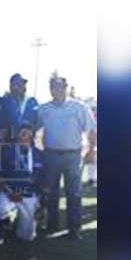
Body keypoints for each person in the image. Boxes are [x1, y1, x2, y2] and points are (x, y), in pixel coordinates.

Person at [38, 76, 97, 240]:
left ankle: (74, 229)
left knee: (74, 193)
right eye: (54, 87)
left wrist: (91, 151)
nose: (57, 90)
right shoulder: (44, 109)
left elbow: (91, 130)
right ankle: (52, 225)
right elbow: (34, 130)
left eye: (60, 87)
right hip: (50, 155)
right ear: (50, 89)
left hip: (72, 155)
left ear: (66, 87)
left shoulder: (79, 107)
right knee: (52, 193)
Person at [0, 120, 44, 243]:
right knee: (0, 207)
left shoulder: (39, 154)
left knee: (27, 237)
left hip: (30, 195)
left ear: (32, 134)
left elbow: (42, 181)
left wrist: (42, 203)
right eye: (22, 132)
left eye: (28, 132)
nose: (25, 135)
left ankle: (19, 223)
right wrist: (10, 193)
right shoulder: (6, 152)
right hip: (11, 193)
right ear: (17, 134)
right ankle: (0, 227)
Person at [2, 73, 39, 140]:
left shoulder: (32, 102)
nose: (21, 86)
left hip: (27, 144)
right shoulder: (4, 102)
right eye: (17, 84)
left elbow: (38, 123)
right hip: (9, 144)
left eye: (23, 83)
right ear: (10, 86)